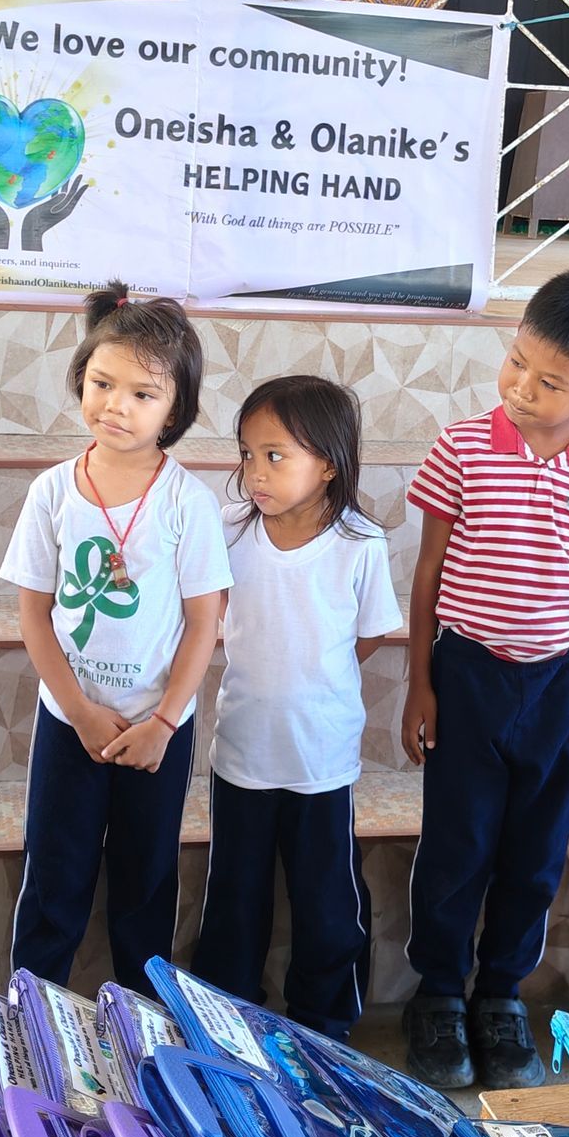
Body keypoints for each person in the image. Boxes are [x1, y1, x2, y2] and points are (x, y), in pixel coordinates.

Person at [400, 268, 569, 1092]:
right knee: (457, 845)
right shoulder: (462, 447)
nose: (521, 388)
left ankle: (501, 996)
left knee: (535, 855)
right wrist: (420, 683)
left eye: (549, 381)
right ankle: (439, 993)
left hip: (559, 686)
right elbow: (427, 572)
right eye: (516, 363)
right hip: (468, 675)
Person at [2, 284, 230, 992]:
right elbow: (34, 615)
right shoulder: (52, 491)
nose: (116, 406)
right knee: (54, 876)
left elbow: (204, 623)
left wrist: (163, 722)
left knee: (146, 880)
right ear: (80, 379)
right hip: (68, 720)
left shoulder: (187, 501)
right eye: (102, 383)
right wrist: (78, 710)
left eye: (142, 394)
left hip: (157, 729)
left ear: (175, 411)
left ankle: (143, 1019)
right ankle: (30, 1014)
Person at [192, 376, 400, 1040]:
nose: (255, 472)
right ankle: (227, 1021)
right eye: (248, 454)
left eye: (275, 456)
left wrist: (315, 677)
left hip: (320, 760)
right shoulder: (229, 529)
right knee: (234, 898)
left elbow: (368, 634)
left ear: (329, 464)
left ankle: (325, 1025)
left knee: (327, 902)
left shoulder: (359, 543)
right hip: (242, 752)